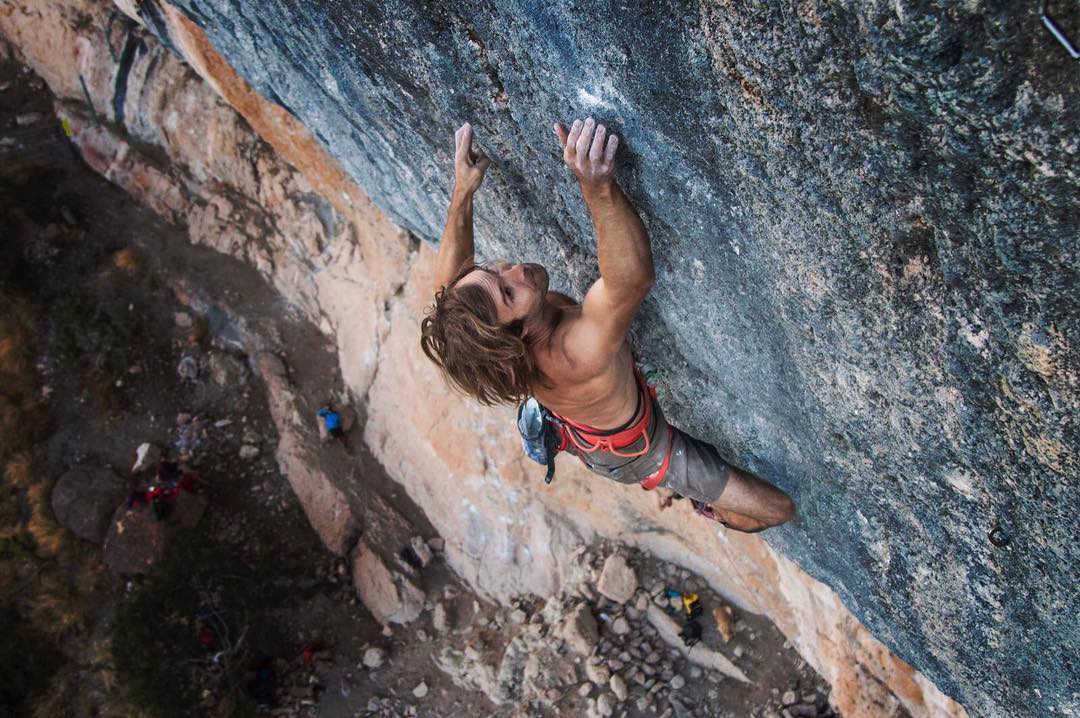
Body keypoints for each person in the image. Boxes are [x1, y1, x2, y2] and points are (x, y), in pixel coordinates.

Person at [420, 119, 795, 532]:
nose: (516, 271)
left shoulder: (481, 325)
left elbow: (448, 284)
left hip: (582, 416)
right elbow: (631, 280)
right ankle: (706, 506)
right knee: (777, 510)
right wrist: (596, 187)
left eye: (495, 269)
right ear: (519, 337)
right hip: (634, 451)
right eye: (509, 293)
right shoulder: (573, 353)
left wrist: (463, 190)